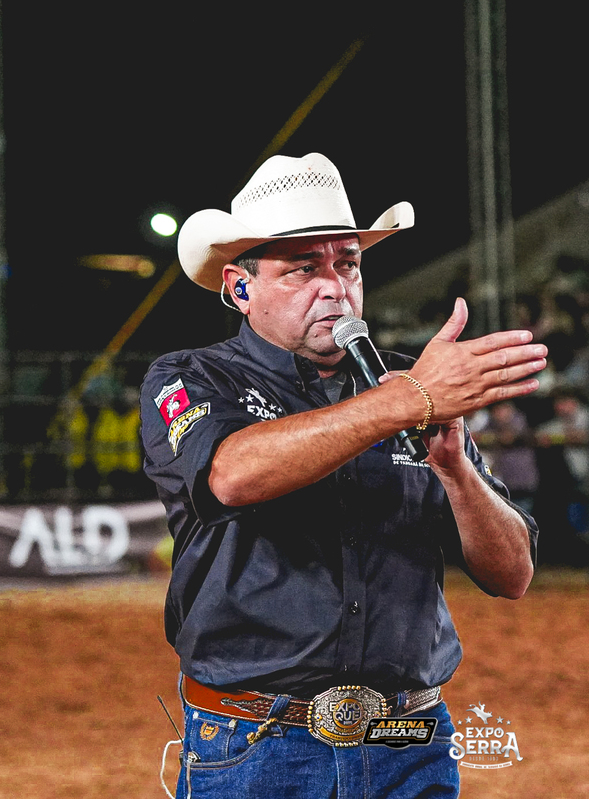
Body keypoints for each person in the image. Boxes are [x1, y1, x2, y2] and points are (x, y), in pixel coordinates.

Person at [140, 152, 546, 798]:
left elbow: (513, 573)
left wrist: (455, 470)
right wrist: (404, 401)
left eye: (347, 263)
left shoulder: (413, 387)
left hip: (408, 739)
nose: (334, 286)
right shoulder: (192, 376)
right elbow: (232, 474)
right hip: (255, 745)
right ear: (241, 289)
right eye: (304, 267)